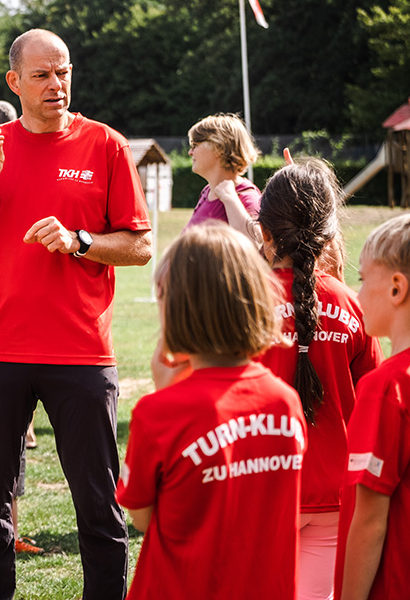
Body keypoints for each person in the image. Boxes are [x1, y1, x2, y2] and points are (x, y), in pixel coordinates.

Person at [0, 28, 152, 599]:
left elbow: (139, 246)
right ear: (15, 82)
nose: (55, 84)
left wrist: (81, 240)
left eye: (63, 71)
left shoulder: (105, 145)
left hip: (82, 353)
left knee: (98, 509)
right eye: (41, 74)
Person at [117, 223, 307, 600]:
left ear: (177, 308)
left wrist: (166, 393)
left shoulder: (158, 412)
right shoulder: (285, 401)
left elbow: (142, 516)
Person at [255, 160, 382, 600]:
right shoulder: (353, 303)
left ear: (264, 233)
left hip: (263, 490)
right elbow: (374, 401)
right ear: (330, 235)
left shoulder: (243, 301)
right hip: (335, 492)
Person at [337, 212, 410, 600]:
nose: (358, 293)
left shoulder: (386, 387)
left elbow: (369, 520)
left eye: (363, 279)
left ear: (397, 288)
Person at [183, 113, 261, 238]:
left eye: (195, 145)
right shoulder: (206, 192)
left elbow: (255, 248)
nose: (190, 152)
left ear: (219, 147)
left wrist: (230, 199)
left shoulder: (247, 196)